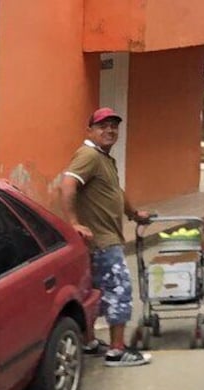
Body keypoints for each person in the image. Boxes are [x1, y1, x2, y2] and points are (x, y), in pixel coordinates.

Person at [59, 107, 152, 367]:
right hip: (102, 240)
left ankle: (89, 343)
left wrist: (134, 213)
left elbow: (115, 191)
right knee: (119, 289)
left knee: (94, 292)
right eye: (103, 126)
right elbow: (67, 184)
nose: (110, 130)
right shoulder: (88, 154)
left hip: (103, 239)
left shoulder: (103, 158)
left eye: (114, 126)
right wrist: (74, 223)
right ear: (90, 131)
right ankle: (117, 351)